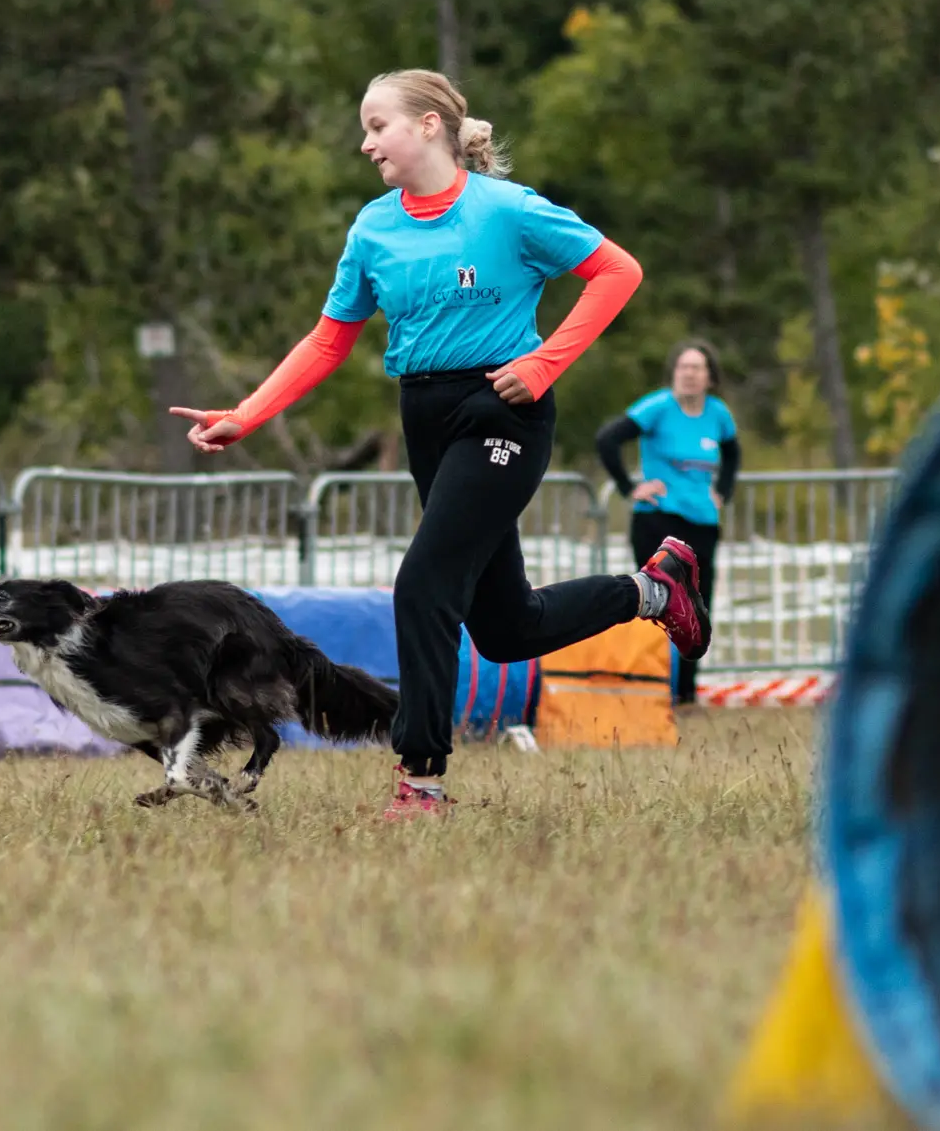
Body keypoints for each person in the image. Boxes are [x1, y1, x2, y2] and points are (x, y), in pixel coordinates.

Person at [168, 68, 710, 820]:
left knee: (422, 585)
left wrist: (545, 360)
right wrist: (247, 413)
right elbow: (329, 339)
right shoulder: (373, 228)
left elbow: (618, 270)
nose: (365, 142)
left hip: (503, 412)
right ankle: (655, 590)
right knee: (504, 626)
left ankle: (421, 780)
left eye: (377, 124)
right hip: (424, 417)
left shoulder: (508, 211)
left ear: (428, 126)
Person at [594, 342, 740, 707]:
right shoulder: (658, 407)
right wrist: (630, 488)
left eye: (697, 368)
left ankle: (686, 696)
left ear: (709, 377)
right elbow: (607, 439)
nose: (689, 374)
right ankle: (651, 686)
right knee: (656, 603)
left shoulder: (717, 414)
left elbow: (734, 453)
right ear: (674, 373)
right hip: (657, 520)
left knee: (698, 608)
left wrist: (722, 491)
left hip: (702, 522)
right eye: (683, 367)